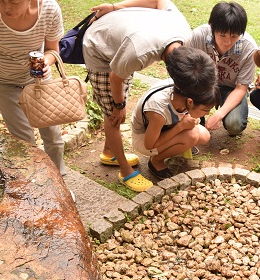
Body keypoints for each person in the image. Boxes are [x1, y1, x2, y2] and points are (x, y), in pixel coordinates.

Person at [83, 0, 202, 192]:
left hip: (123, 42)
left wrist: (114, 7)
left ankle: (108, 151)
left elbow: (158, 1)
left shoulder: (184, 33)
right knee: (112, 116)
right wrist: (118, 105)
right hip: (100, 48)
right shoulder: (139, 54)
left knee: (119, 96)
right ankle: (125, 170)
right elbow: (115, 77)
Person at [0, 0, 66, 176]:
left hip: (39, 81)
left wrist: (47, 61)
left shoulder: (49, 9)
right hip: (3, 81)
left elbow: (53, 49)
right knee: (25, 140)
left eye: (14, 2)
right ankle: (33, 183)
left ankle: (58, 180)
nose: (7, 7)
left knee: (53, 137)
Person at [131, 47, 220, 179]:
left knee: (204, 136)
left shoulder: (184, 87)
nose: (206, 114)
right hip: (144, 139)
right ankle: (156, 161)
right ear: (190, 102)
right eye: (205, 110)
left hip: (164, 128)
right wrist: (181, 126)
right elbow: (149, 144)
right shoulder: (158, 109)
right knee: (192, 136)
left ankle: (179, 145)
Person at [185, 1, 256, 137]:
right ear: (212, 27)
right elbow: (186, 72)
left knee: (234, 125)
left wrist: (219, 114)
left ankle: (228, 117)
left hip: (231, 88)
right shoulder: (198, 36)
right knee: (189, 121)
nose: (227, 42)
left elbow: (241, 88)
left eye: (234, 36)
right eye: (222, 35)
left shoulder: (249, 49)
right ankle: (197, 120)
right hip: (201, 84)